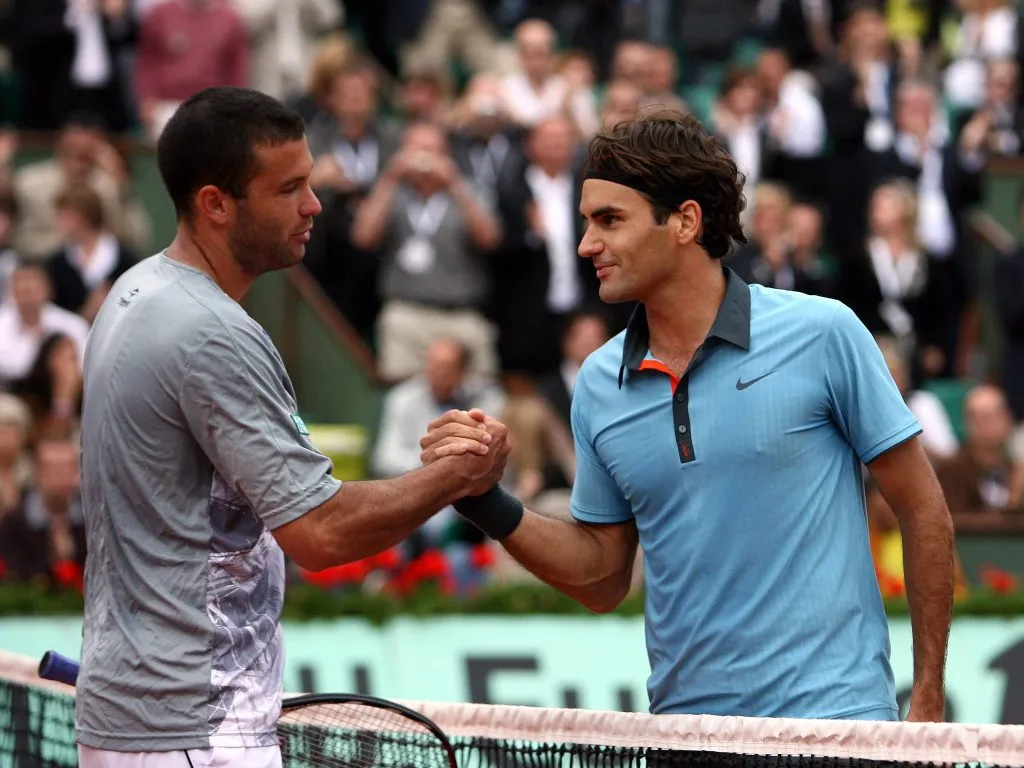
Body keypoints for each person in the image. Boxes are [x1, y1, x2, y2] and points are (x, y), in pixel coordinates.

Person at [420, 111, 955, 722]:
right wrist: (487, 501)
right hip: (686, 734)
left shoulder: (824, 331)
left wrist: (929, 697)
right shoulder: (597, 383)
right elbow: (602, 574)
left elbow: (922, 509)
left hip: (835, 727)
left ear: (685, 220)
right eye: (586, 221)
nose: (586, 245)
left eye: (609, 220)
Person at [74, 87, 509, 768]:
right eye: (291, 188)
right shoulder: (212, 332)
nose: (313, 205)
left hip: (140, 714)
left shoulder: (134, 291)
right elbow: (322, 532)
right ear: (216, 204)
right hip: (198, 728)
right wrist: (456, 474)